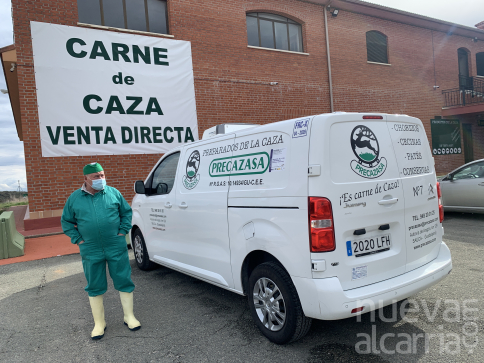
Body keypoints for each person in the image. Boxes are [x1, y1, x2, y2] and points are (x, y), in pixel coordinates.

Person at [61, 162, 141, 340]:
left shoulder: (113, 193)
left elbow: (126, 213)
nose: (101, 179)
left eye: (102, 175)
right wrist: (78, 239)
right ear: (86, 178)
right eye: (96, 176)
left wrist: (122, 231)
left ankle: (129, 316)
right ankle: (99, 323)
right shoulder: (75, 198)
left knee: (123, 278)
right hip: (90, 248)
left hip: (115, 244)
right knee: (94, 284)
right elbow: (66, 221)